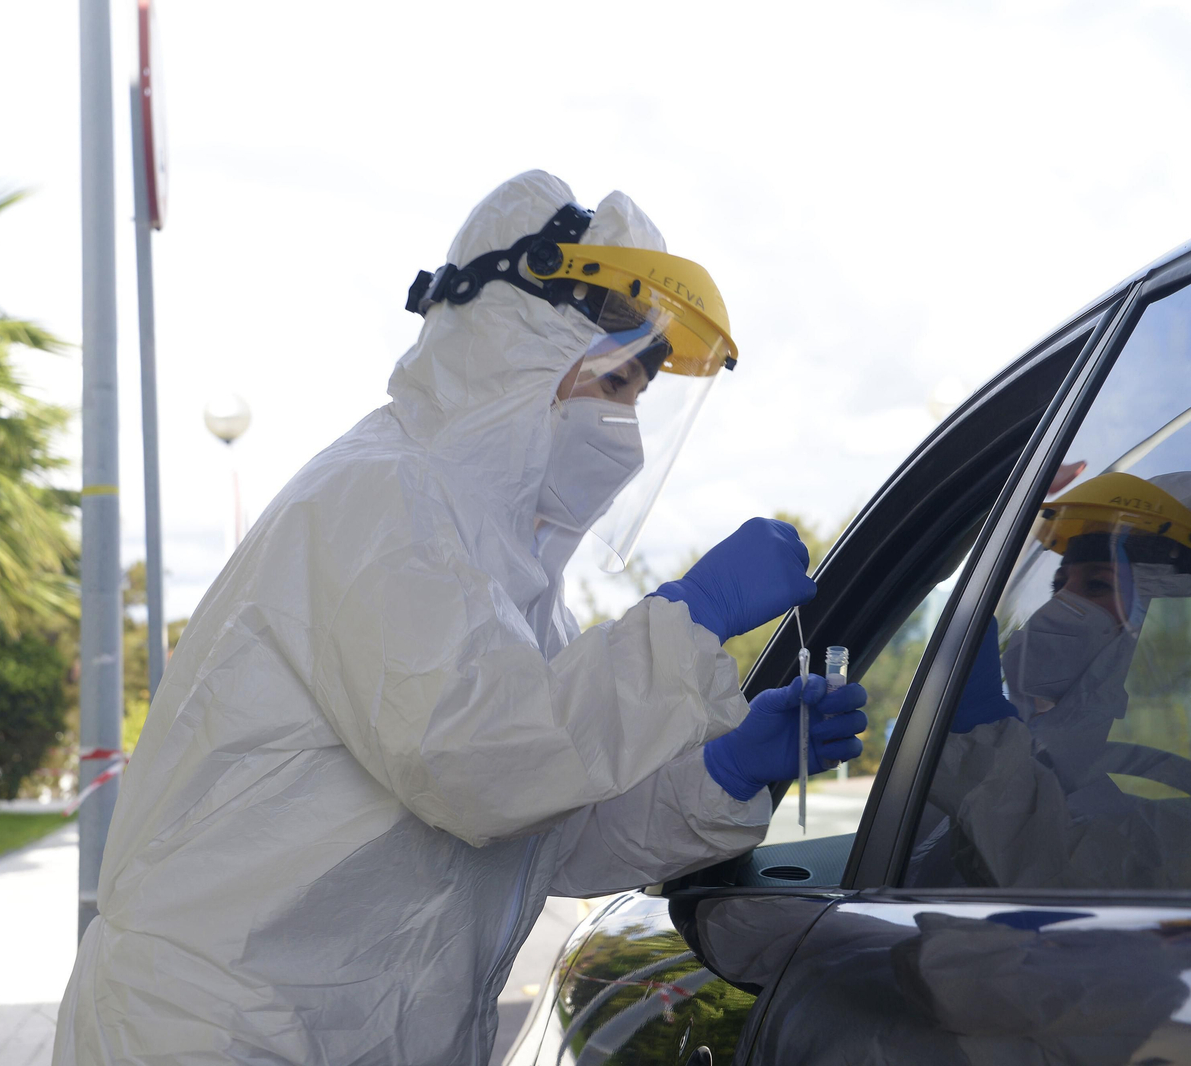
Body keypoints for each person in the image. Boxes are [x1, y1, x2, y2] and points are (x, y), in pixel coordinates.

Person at [53, 170, 867, 1066]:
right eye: (615, 381)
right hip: (212, 1034)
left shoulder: (509, 584)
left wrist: (724, 772)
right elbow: (480, 765)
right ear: (520, 343)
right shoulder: (379, 501)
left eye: (637, 393)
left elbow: (542, 836)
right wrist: (691, 616)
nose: (626, 424)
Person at [913, 470, 1191, 890]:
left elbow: (1070, 886)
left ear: (1169, 610)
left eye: (1096, 584)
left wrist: (981, 746)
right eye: (1059, 585)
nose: (1058, 607)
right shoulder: (1044, 740)